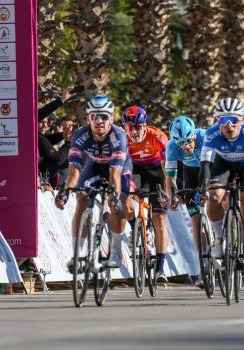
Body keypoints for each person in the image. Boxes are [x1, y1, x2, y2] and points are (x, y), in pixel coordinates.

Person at [55, 96, 134, 272]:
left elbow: (115, 173)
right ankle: (77, 255)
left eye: (104, 117)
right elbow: (74, 171)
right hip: (95, 165)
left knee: (117, 206)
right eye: (94, 116)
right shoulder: (80, 136)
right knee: (81, 200)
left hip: (120, 169)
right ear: (88, 119)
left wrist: (114, 196)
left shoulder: (119, 136)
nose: (99, 121)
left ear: (111, 119)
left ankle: (115, 251)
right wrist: (65, 193)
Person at [197, 97, 244, 272]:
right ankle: (219, 239)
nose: (229, 125)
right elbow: (205, 165)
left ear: (242, 120)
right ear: (217, 122)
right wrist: (202, 189)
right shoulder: (211, 134)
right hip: (223, 164)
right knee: (213, 197)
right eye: (223, 120)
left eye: (234, 120)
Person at [122, 106, 171, 283]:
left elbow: (168, 167)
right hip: (134, 170)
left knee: (159, 219)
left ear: (145, 125)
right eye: (130, 128)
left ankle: (160, 267)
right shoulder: (122, 139)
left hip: (157, 172)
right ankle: (135, 228)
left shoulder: (158, 137)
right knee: (125, 197)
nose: (134, 132)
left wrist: (167, 191)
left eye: (138, 127)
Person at [165, 116, 207, 287]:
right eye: (181, 143)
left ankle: (223, 239)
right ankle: (201, 263)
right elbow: (170, 177)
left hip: (210, 169)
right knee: (196, 219)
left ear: (194, 136)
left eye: (188, 140)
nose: (186, 146)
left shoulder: (205, 137)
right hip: (190, 174)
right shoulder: (172, 147)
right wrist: (172, 196)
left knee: (218, 199)